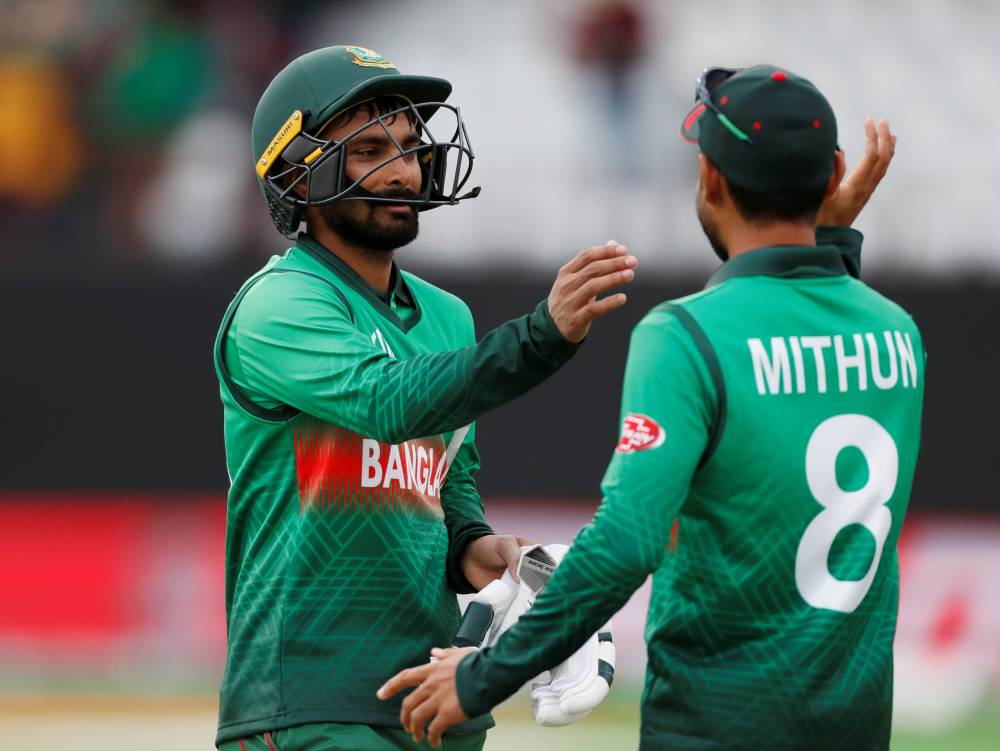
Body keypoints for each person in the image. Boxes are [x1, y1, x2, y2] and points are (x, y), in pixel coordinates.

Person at [379, 65, 919, 751]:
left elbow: (628, 540)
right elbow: (820, 324)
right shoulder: (896, 331)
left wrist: (483, 676)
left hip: (711, 725)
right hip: (857, 730)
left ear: (712, 180)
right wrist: (831, 239)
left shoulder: (686, 335)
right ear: (835, 168)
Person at [213, 45, 637, 751]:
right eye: (372, 150)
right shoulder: (277, 304)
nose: (406, 170)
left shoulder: (446, 315)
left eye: (411, 147)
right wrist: (540, 338)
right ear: (296, 171)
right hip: (311, 701)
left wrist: (475, 544)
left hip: (440, 697)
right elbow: (387, 403)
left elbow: (445, 481)